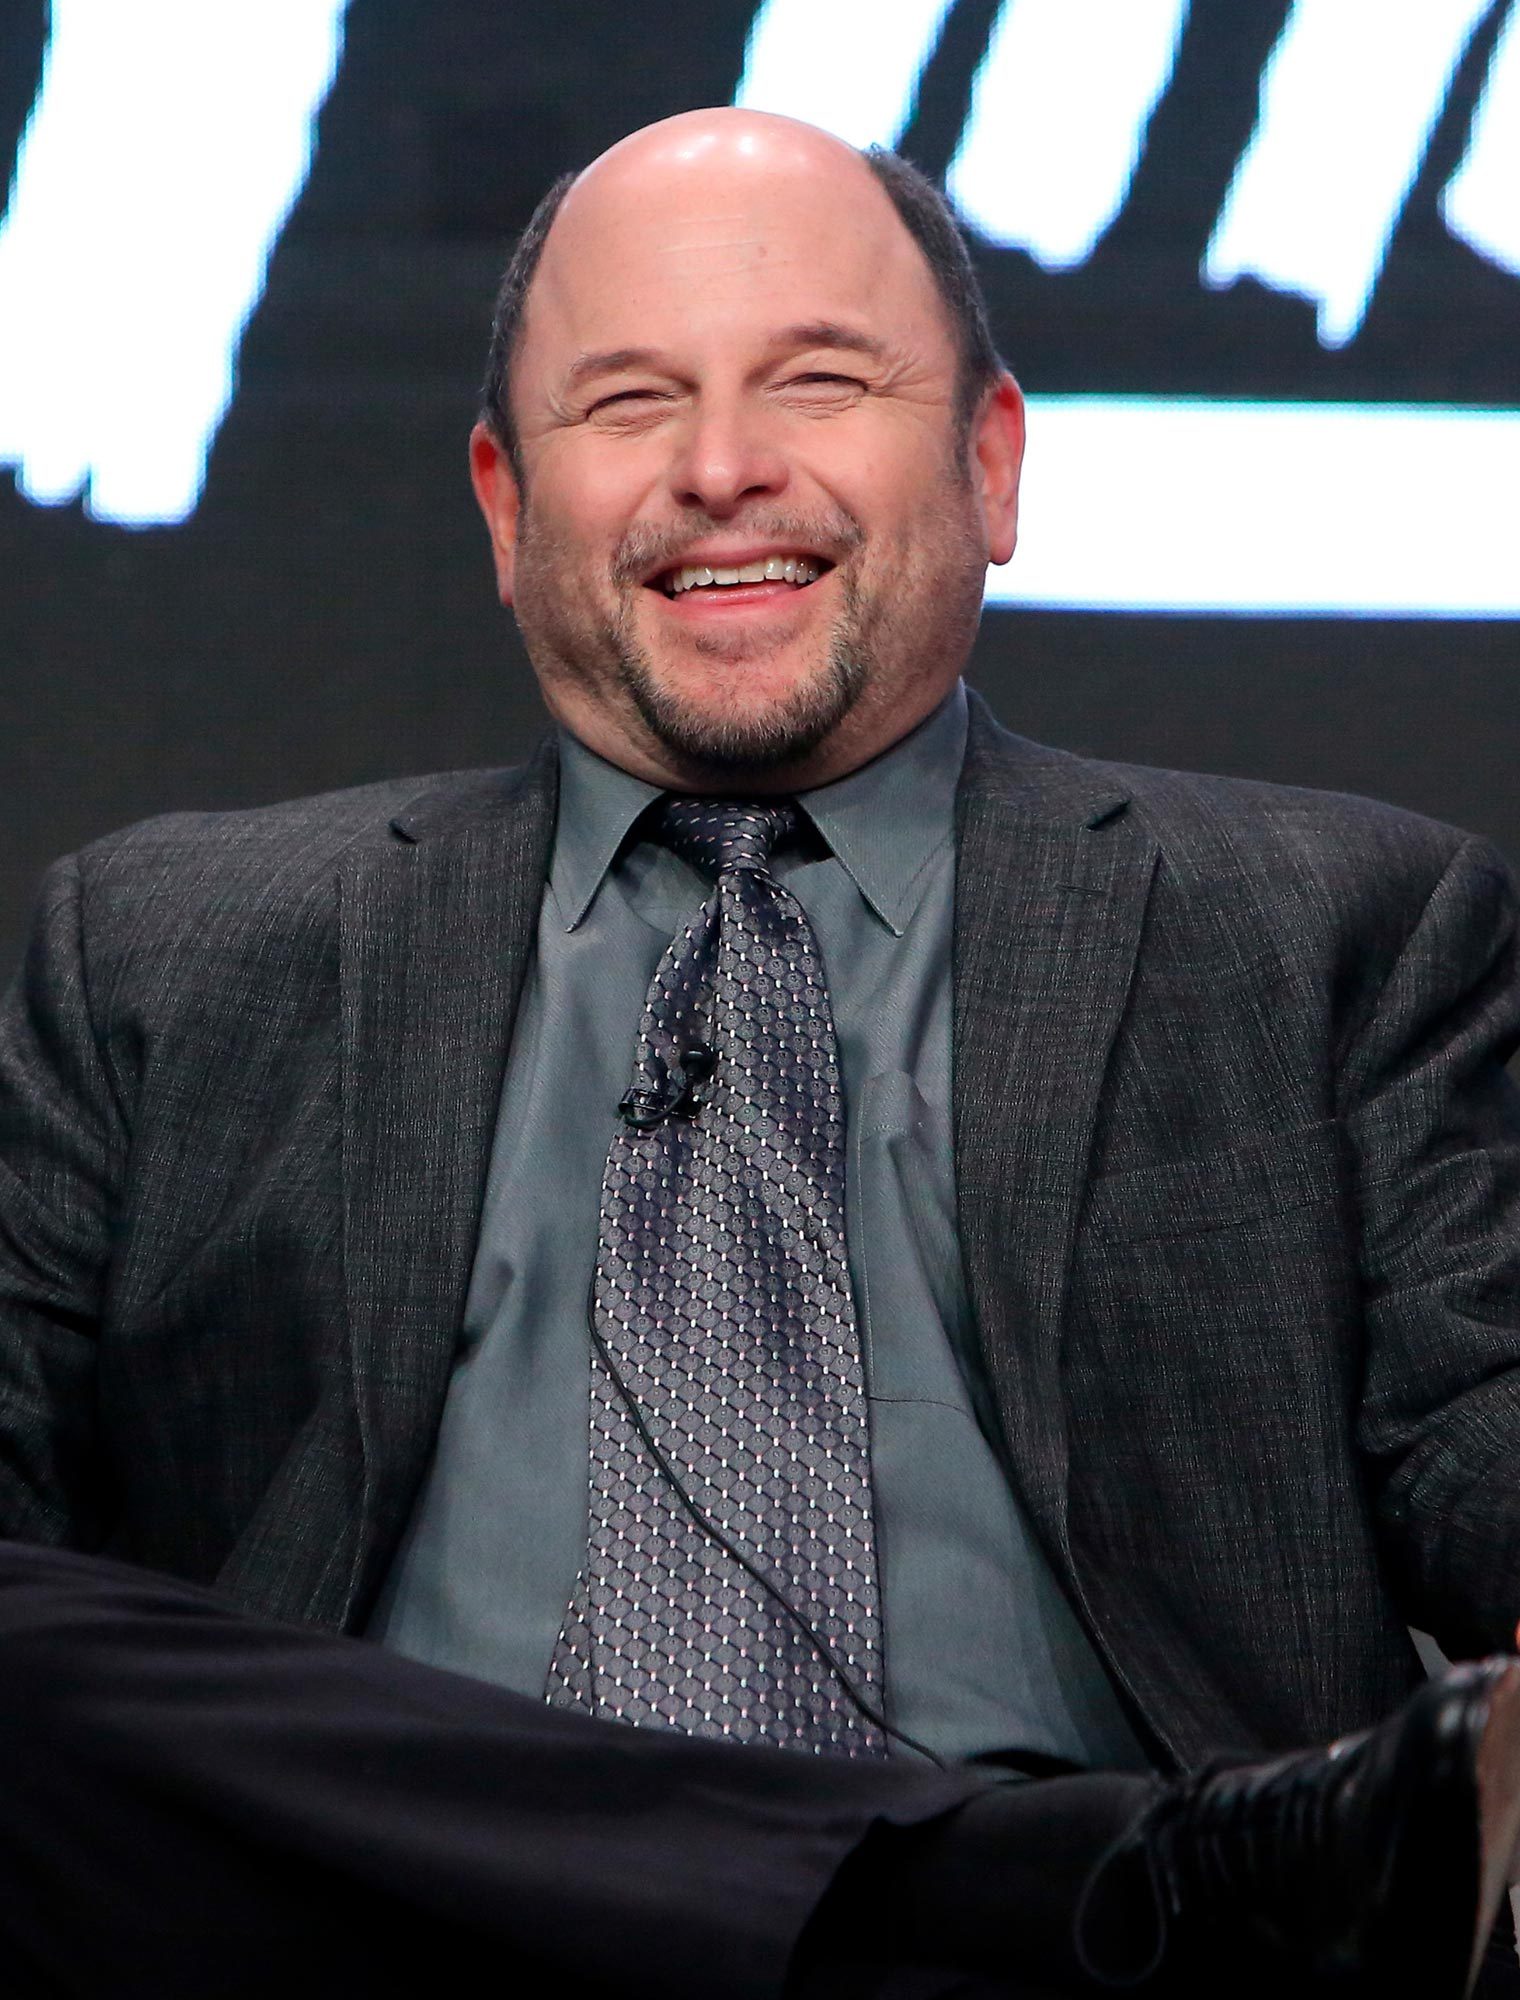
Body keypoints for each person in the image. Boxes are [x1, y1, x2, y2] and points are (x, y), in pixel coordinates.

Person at [1, 106, 1519, 1999]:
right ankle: (994, 1887)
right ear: (503, 502)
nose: (722, 468)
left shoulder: (1340, 933)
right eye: (628, 402)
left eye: (816, 380)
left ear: (990, 462)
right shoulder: (165, 954)